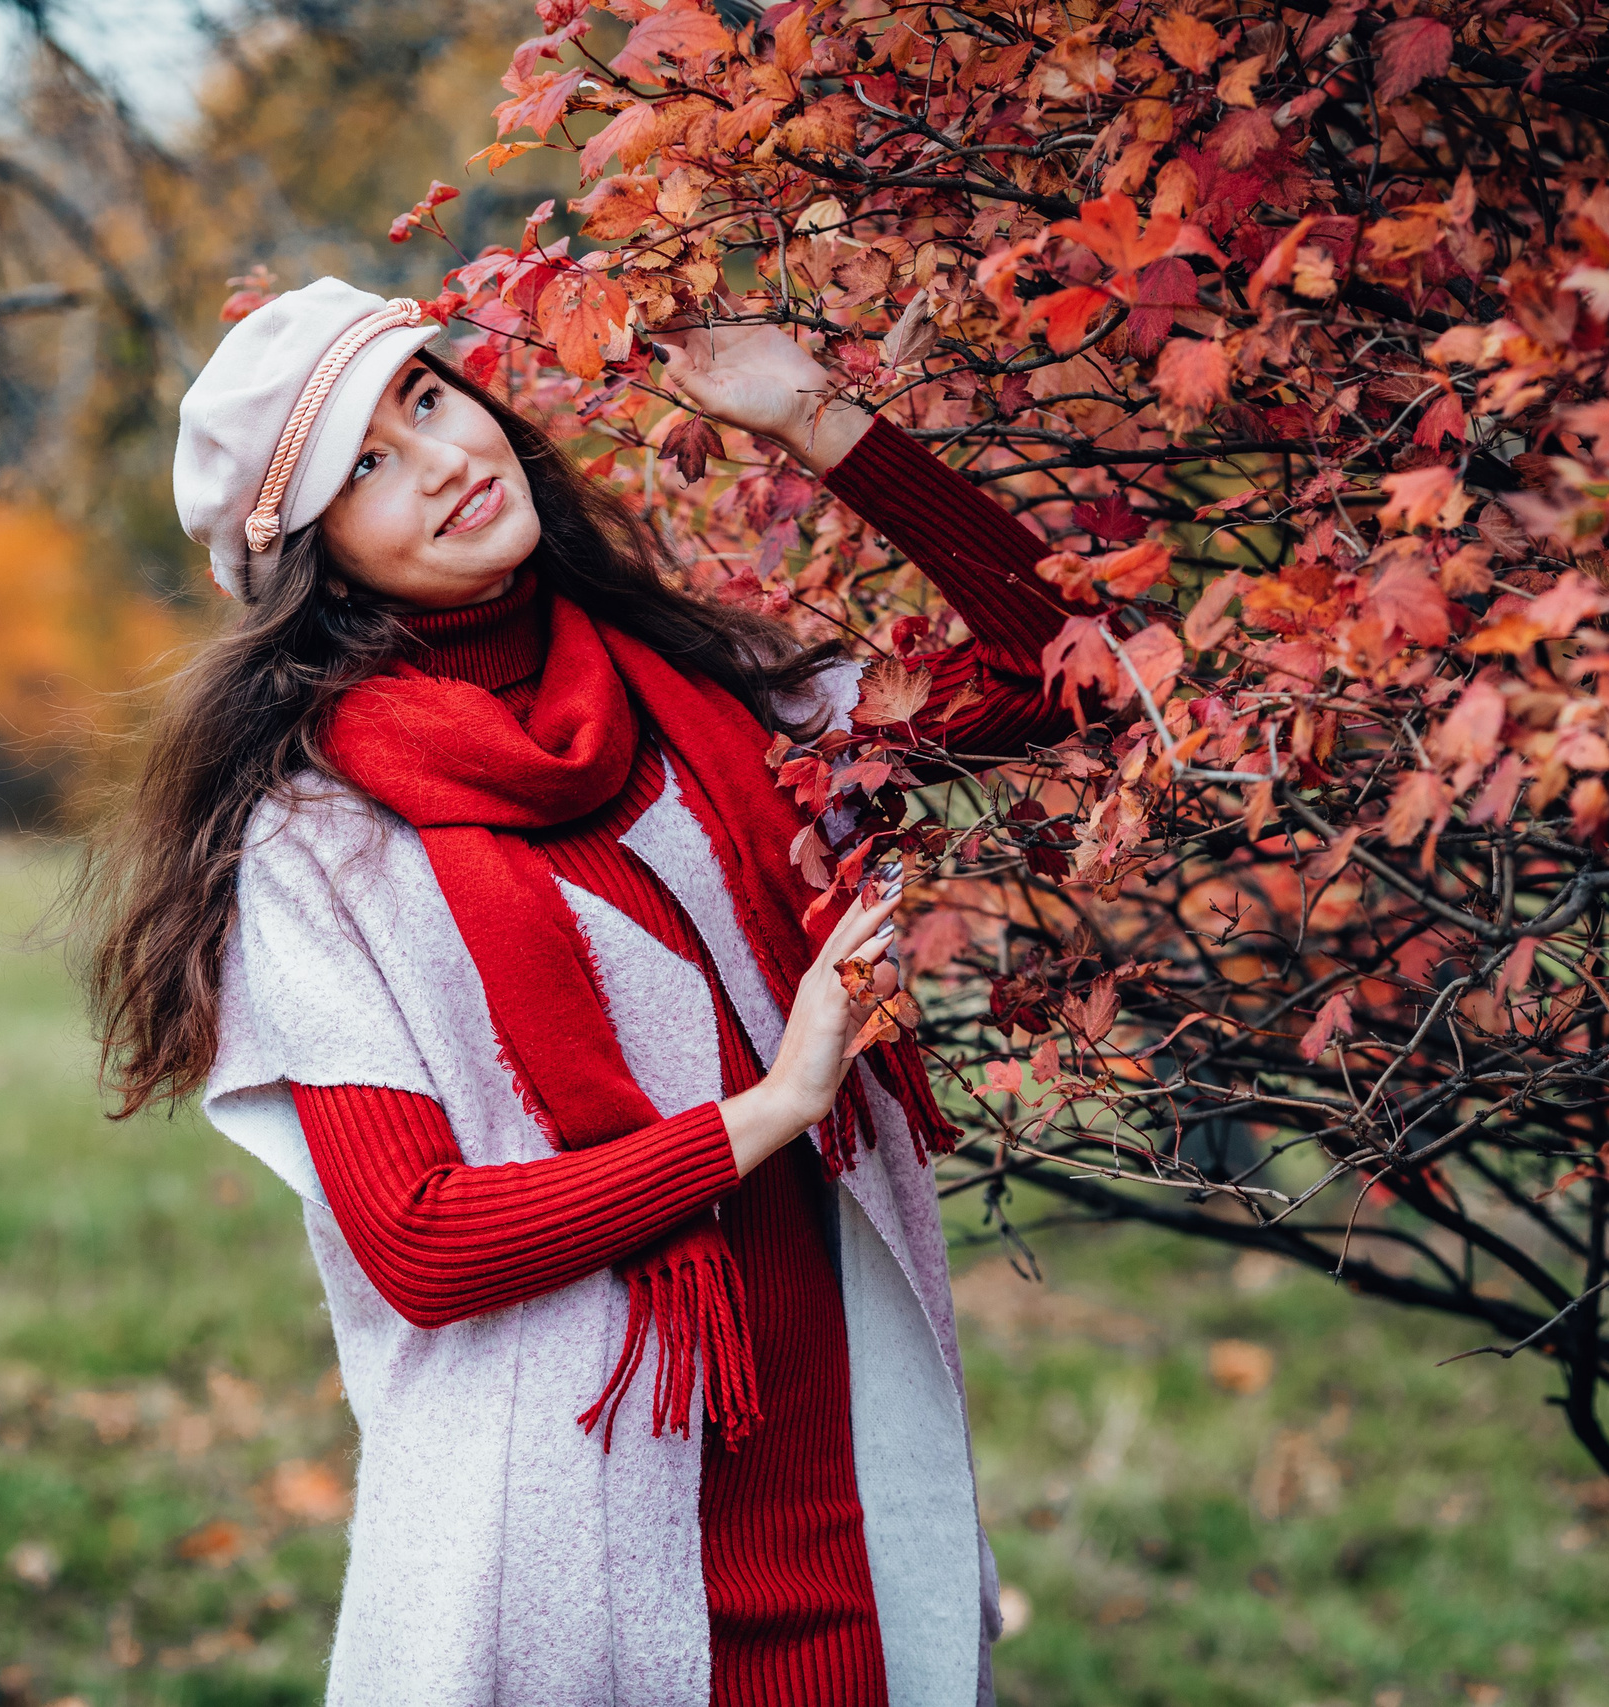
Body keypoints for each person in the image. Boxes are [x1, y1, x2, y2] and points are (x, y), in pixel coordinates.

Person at [91, 276, 1076, 1706]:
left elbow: (1057, 670)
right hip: (571, 1542)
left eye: (428, 399)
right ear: (319, 557)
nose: (442, 460)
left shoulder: (708, 695)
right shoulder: (320, 850)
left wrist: (816, 418)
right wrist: (774, 1107)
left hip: (844, 1474)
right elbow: (419, 1243)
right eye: (365, 467)